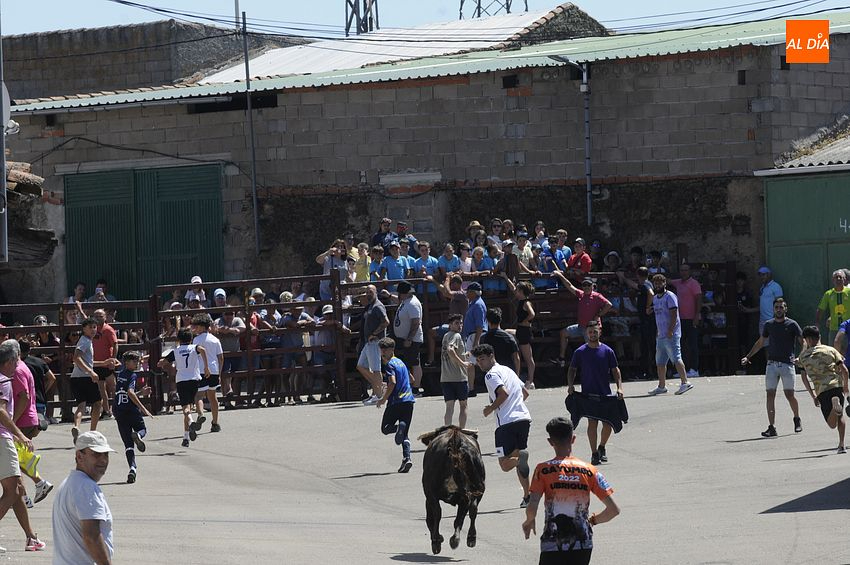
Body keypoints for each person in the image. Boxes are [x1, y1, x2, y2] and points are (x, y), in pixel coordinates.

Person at [523, 417, 619, 565]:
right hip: (582, 543)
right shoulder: (589, 470)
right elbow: (613, 510)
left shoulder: (542, 470)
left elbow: (533, 504)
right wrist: (592, 521)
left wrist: (529, 521)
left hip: (552, 543)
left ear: (550, 442)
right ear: (573, 439)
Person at [474, 343, 532, 508]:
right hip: (523, 419)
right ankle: (527, 496)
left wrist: (490, 408)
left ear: (492, 356)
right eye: (478, 360)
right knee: (518, 461)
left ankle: (520, 458)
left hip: (506, 424)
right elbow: (525, 393)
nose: (480, 363)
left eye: (483, 359)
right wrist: (515, 406)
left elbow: (503, 393)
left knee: (505, 465)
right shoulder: (508, 370)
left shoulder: (491, 375)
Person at [0, 341, 42, 553]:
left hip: (4, 437)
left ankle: (30, 537)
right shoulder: (4, 380)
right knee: (13, 490)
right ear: (9, 361)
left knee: (15, 489)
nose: (18, 364)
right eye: (16, 360)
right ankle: (30, 537)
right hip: (2, 438)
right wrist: (18, 434)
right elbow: (1, 411)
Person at [741, 298, 803, 437]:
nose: (779, 309)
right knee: (770, 395)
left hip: (787, 364)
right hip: (772, 365)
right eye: (777, 307)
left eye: (781, 307)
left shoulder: (792, 324)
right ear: (774, 309)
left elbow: (802, 341)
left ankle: (797, 419)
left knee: (789, 395)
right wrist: (748, 356)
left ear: (786, 309)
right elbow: (761, 342)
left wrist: (801, 357)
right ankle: (772, 427)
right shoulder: (769, 325)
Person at [52, 430, 113, 565]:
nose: (103, 460)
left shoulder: (69, 483)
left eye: (106, 454)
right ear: (79, 456)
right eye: (96, 454)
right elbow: (91, 537)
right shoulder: (86, 487)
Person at [567, 321, 624, 466]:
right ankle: (594, 453)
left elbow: (615, 370)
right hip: (588, 395)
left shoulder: (607, 351)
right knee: (592, 423)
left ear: (600, 332)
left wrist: (619, 388)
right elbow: (572, 369)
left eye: (595, 332)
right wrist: (571, 386)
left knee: (608, 424)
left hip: (605, 393)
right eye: (590, 332)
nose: (593, 334)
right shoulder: (580, 352)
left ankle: (602, 447)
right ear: (587, 334)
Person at [11, 341, 52, 509]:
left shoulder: (18, 370)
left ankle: (30, 491)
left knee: (14, 460)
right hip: (26, 419)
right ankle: (27, 493)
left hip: (23, 420)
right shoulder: (21, 367)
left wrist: (11, 422)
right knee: (17, 459)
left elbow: (24, 397)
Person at [796, 326, 849, 453]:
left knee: (831, 424)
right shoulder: (830, 350)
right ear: (819, 337)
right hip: (836, 386)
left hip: (821, 390)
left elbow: (804, 378)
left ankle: (833, 407)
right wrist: (846, 386)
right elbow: (845, 371)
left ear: (807, 340)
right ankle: (842, 445)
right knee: (840, 414)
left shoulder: (803, 357)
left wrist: (813, 395)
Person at [70, 318, 119, 444]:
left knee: (81, 405)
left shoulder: (87, 341)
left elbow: (86, 362)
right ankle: (93, 431)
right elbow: (76, 358)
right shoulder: (85, 341)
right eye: (90, 327)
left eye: (94, 327)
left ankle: (77, 426)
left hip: (76, 378)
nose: (93, 330)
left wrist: (103, 362)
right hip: (85, 378)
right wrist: (90, 372)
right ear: (84, 329)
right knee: (98, 403)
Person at [551, 273, 612, 368]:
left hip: (592, 329)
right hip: (581, 327)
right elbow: (569, 285)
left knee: (592, 350)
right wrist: (560, 275)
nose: (586, 287)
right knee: (563, 333)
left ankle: (598, 369)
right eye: (584, 285)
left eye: (588, 285)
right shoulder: (581, 294)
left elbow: (609, 305)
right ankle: (561, 358)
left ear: (592, 286)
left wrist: (599, 315)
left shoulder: (597, 296)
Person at [648, 274, 694, 396]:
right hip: (661, 334)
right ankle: (661, 386)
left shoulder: (670, 296)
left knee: (676, 357)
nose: (657, 285)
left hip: (671, 333)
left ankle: (685, 382)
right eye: (655, 283)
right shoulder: (656, 298)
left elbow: (674, 314)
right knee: (660, 361)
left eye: (660, 283)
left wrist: (670, 330)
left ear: (664, 283)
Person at [376, 338, 415, 473]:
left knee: (386, 428)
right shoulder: (401, 363)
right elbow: (412, 379)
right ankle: (407, 458)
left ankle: (399, 427)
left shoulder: (390, 365)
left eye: (385, 350)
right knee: (404, 434)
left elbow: (392, 382)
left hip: (396, 402)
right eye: (381, 350)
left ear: (392, 350)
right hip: (409, 401)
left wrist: (383, 399)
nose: (383, 352)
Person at [113, 351, 152, 484]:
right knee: (142, 429)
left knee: (128, 445)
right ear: (126, 362)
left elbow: (123, 392)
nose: (137, 363)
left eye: (137, 361)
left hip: (119, 411)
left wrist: (140, 392)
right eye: (134, 361)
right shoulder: (132, 375)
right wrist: (143, 408)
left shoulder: (120, 375)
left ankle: (132, 468)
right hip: (131, 410)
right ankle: (139, 436)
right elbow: (130, 393)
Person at [172, 328, 210, 448]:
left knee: (186, 409)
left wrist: (162, 363)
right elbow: (202, 350)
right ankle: (186, 436)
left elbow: (162, 362)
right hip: (194, 378)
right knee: (196, 399)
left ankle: (191, 421)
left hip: (181, 380)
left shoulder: (175, 350)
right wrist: (206, 367)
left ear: (179, 339)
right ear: (191, 339)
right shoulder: (194, 347)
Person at [617, 267, 655, 378]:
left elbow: (650, 293)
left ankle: (649, 372)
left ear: (638, 275)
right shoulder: (645, 285)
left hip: (647, 320)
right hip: (644, 319)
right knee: (645, 345)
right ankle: (648, 371)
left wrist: (648, 307)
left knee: (647, 346)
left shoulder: (646, 285)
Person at [357, 285, 390, 405]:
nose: (368, 294)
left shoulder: (378, 306)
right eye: (366, 292)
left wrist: (374, 333)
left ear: (376, 292)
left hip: (375, 341)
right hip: (368, 342)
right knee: (360, 366)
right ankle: (380, 386)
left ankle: (379, 395)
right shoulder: (370, 306)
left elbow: (386, 322)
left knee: (376, 369)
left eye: (370, 291)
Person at [191, 315, 224, 433]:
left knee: (199, 395)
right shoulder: (215, 340)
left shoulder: (196, 340)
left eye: (196, 326)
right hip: (214, 370)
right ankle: (215, 423)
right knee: (213, 397)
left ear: (200, 327)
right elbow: (221, 358)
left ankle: (200, 414)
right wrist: (219, 374)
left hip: (201, 370)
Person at [669, 264, 703, 378]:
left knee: (693, 345)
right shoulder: (678, 282)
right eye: (682, 270)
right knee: (680, 345)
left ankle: (694, 369)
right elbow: (667, 281)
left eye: (686, 270)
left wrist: (697, 315)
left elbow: (699, 300)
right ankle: (683, 370)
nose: (684, 272)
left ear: (690, 271)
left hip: (691, 319)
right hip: (680, 320)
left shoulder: (694, 284)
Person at [392, 281, 424, 389]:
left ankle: (415, 388)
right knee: (408, 362)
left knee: (414, 363)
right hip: (405, 338)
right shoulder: (406, 301)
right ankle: (410, 385)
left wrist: (409, 339)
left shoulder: (412, 303)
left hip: (412, 339)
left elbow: (416, 322)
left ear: (403, 293)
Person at [440, 314, 470, 429]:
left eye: (461, 323)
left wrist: (464, 356)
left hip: (446, 378)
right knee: (463, 405)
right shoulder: (456, 336)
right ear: (450, 325)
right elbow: (450, 350)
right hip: (459, 377)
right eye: (456, 323)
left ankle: (447, 430)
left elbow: (452, 352)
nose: (459, 325)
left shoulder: (446, 336)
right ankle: (461, 430)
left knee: (449, 407)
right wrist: (463, 364)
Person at [91, 309, 118, 420]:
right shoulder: (92, 330)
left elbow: (115, 345)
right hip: (97, 364)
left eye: (100, 316)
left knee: (114, 387)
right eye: (96, 316)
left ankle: (119, 409)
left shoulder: (108, 329)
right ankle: (107, 411)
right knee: (101, 390)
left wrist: (113, 359)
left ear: (105, 317)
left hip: (107, 364)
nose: (98, 318)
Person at [480, 307, 521, 375]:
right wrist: (517, 376)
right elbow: (516, 358)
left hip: (492, 373)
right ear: (500, 320)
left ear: (488, 322)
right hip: (508, 372)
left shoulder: (484, 338)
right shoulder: (509, 337)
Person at [816, 270, 850, 349]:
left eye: (840, 277)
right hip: (834, 329)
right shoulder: (828, 294)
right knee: (833, 351)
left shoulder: (849, 292)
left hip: (848, 328)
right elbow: (820, 309)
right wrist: (817, 323)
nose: (838, 279)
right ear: (833, 280)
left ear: (844, 279)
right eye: (836, 277)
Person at [463, 282, 488, 391]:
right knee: (472, 362)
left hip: (476, 335)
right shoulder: (473, 303)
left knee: (472, 362)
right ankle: (471, 387)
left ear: (473, 292)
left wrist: (476, 341)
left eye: (468, 292)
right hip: (472, 335)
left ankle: (471, 388)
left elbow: (479, 325)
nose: (466, 294)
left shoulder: (478, 305)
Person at [756, 266, 783, 339]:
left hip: (772, 320)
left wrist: (776, 319)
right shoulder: (762, 288)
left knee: (773, 344)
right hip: (762, 321)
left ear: (769, 275)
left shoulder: (776, 286)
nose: (762, 277)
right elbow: (762, 305)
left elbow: (780, 305)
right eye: (760, 275)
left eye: (764, 275)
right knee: (763, 344)